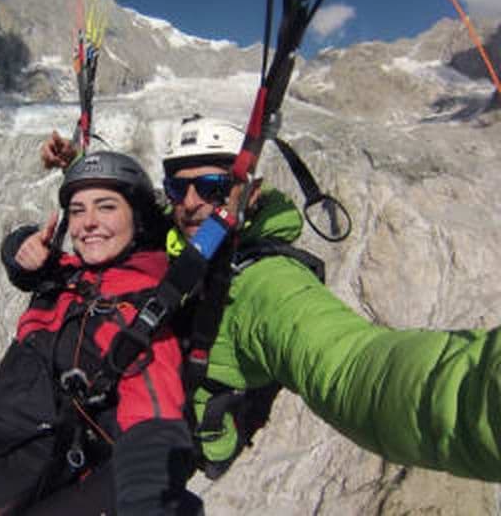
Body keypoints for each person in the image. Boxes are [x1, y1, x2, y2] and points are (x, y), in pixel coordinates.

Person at [40, 114, 501, 484]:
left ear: (251, 193)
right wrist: (79, 164)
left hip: (155, 442)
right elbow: (142, 209)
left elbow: (356, 369)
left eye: (215, 188)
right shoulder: (185, 232)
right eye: (180, 188)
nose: (194, 202)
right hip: (127, 405)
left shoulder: (269, 285)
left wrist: (482, 395)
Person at [0, 151, 199, 515]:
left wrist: (149, 496)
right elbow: (26, 261)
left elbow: (153, 417)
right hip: (11, 397)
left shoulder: (141, 307)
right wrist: (20, 248)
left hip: (44, 438)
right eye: (78, 211)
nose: (88, 222)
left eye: (106, 207)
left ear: (138, 219)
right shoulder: (76, 271)